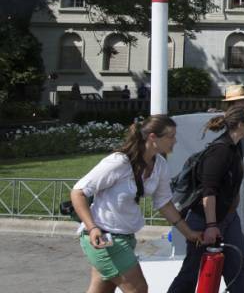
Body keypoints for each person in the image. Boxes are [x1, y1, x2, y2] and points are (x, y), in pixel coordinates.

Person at [70, 115, 202, 293]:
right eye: (170, 136)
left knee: (101, 290)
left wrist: (189, 233)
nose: (175, 141)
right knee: (138, 289)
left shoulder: (160, 165)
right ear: (153, 137)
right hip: (103, 239)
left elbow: (164, 203)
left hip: (125, 237)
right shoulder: (119, 162)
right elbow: (78, 192)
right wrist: (92, 227)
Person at [168, 104, 244, 293]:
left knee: (240, 268)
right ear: (240, 124)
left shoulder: (236, 146)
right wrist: (211, 225)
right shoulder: (220, 152)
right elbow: (209, 191)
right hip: (204, 221)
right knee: (191, 271)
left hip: (228, 218)